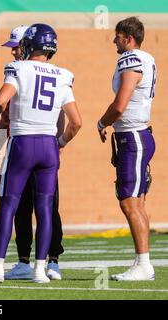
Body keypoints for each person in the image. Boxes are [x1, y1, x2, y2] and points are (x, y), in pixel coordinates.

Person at [0, 23, 82, 283]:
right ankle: (39, 269)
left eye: (17, 47)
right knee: (45, 208)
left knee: (8, 205)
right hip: (48, 146)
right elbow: (76, 122)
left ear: (28, 45)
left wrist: (1, 115)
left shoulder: (18, 69)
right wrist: (61, 142)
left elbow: (1, 102)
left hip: (22, 142)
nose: (14, 52)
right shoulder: (62, 75)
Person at [0, 25, 65, 281]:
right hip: (36, 145)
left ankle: (52, 259)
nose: (14, 51)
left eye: (16, 46)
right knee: (23, 207)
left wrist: (58, 141)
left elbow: (60, 112)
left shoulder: (27, 71)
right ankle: (25, 259)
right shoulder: (19, 70)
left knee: (47, 205)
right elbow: (5, 119)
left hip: (36, 144)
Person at [97, 17, 156, 281]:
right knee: (137, 202)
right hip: (137, 135)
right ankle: (143, 262)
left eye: (117, 36)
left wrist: (102, 122)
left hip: (132, 137)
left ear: (128, 38)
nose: (114, 41)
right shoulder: (147, 58)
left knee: (128, 201)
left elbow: (120, 104)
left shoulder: (130, 59)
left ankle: (143, 264)